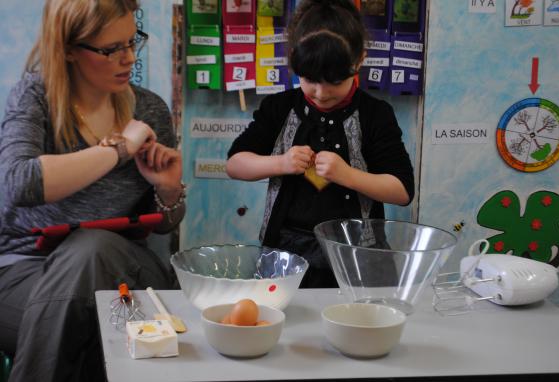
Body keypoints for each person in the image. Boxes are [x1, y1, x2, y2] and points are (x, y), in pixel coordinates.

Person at [0, 1, 185, 381]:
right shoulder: (35, 97)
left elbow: (165, 226)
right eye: (111, 49)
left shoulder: (149, 110)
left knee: (93, 248)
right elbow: (19, 182)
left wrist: (167, 191)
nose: (129, 57)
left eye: (133, 42)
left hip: (126, 270)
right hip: (25, 270)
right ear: (67, 48)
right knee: (97, 334)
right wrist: (120, 150)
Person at [226, 0, 414, 288]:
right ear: (295, 61)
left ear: (359, 61)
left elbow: (402, 191)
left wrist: (348, 175)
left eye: (335, 81)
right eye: (310, 79)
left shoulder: (375, 114)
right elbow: (235, 164)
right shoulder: (279, 108)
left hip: (361, 254)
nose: (321, 93)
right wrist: (281, 163)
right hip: (286, 250)